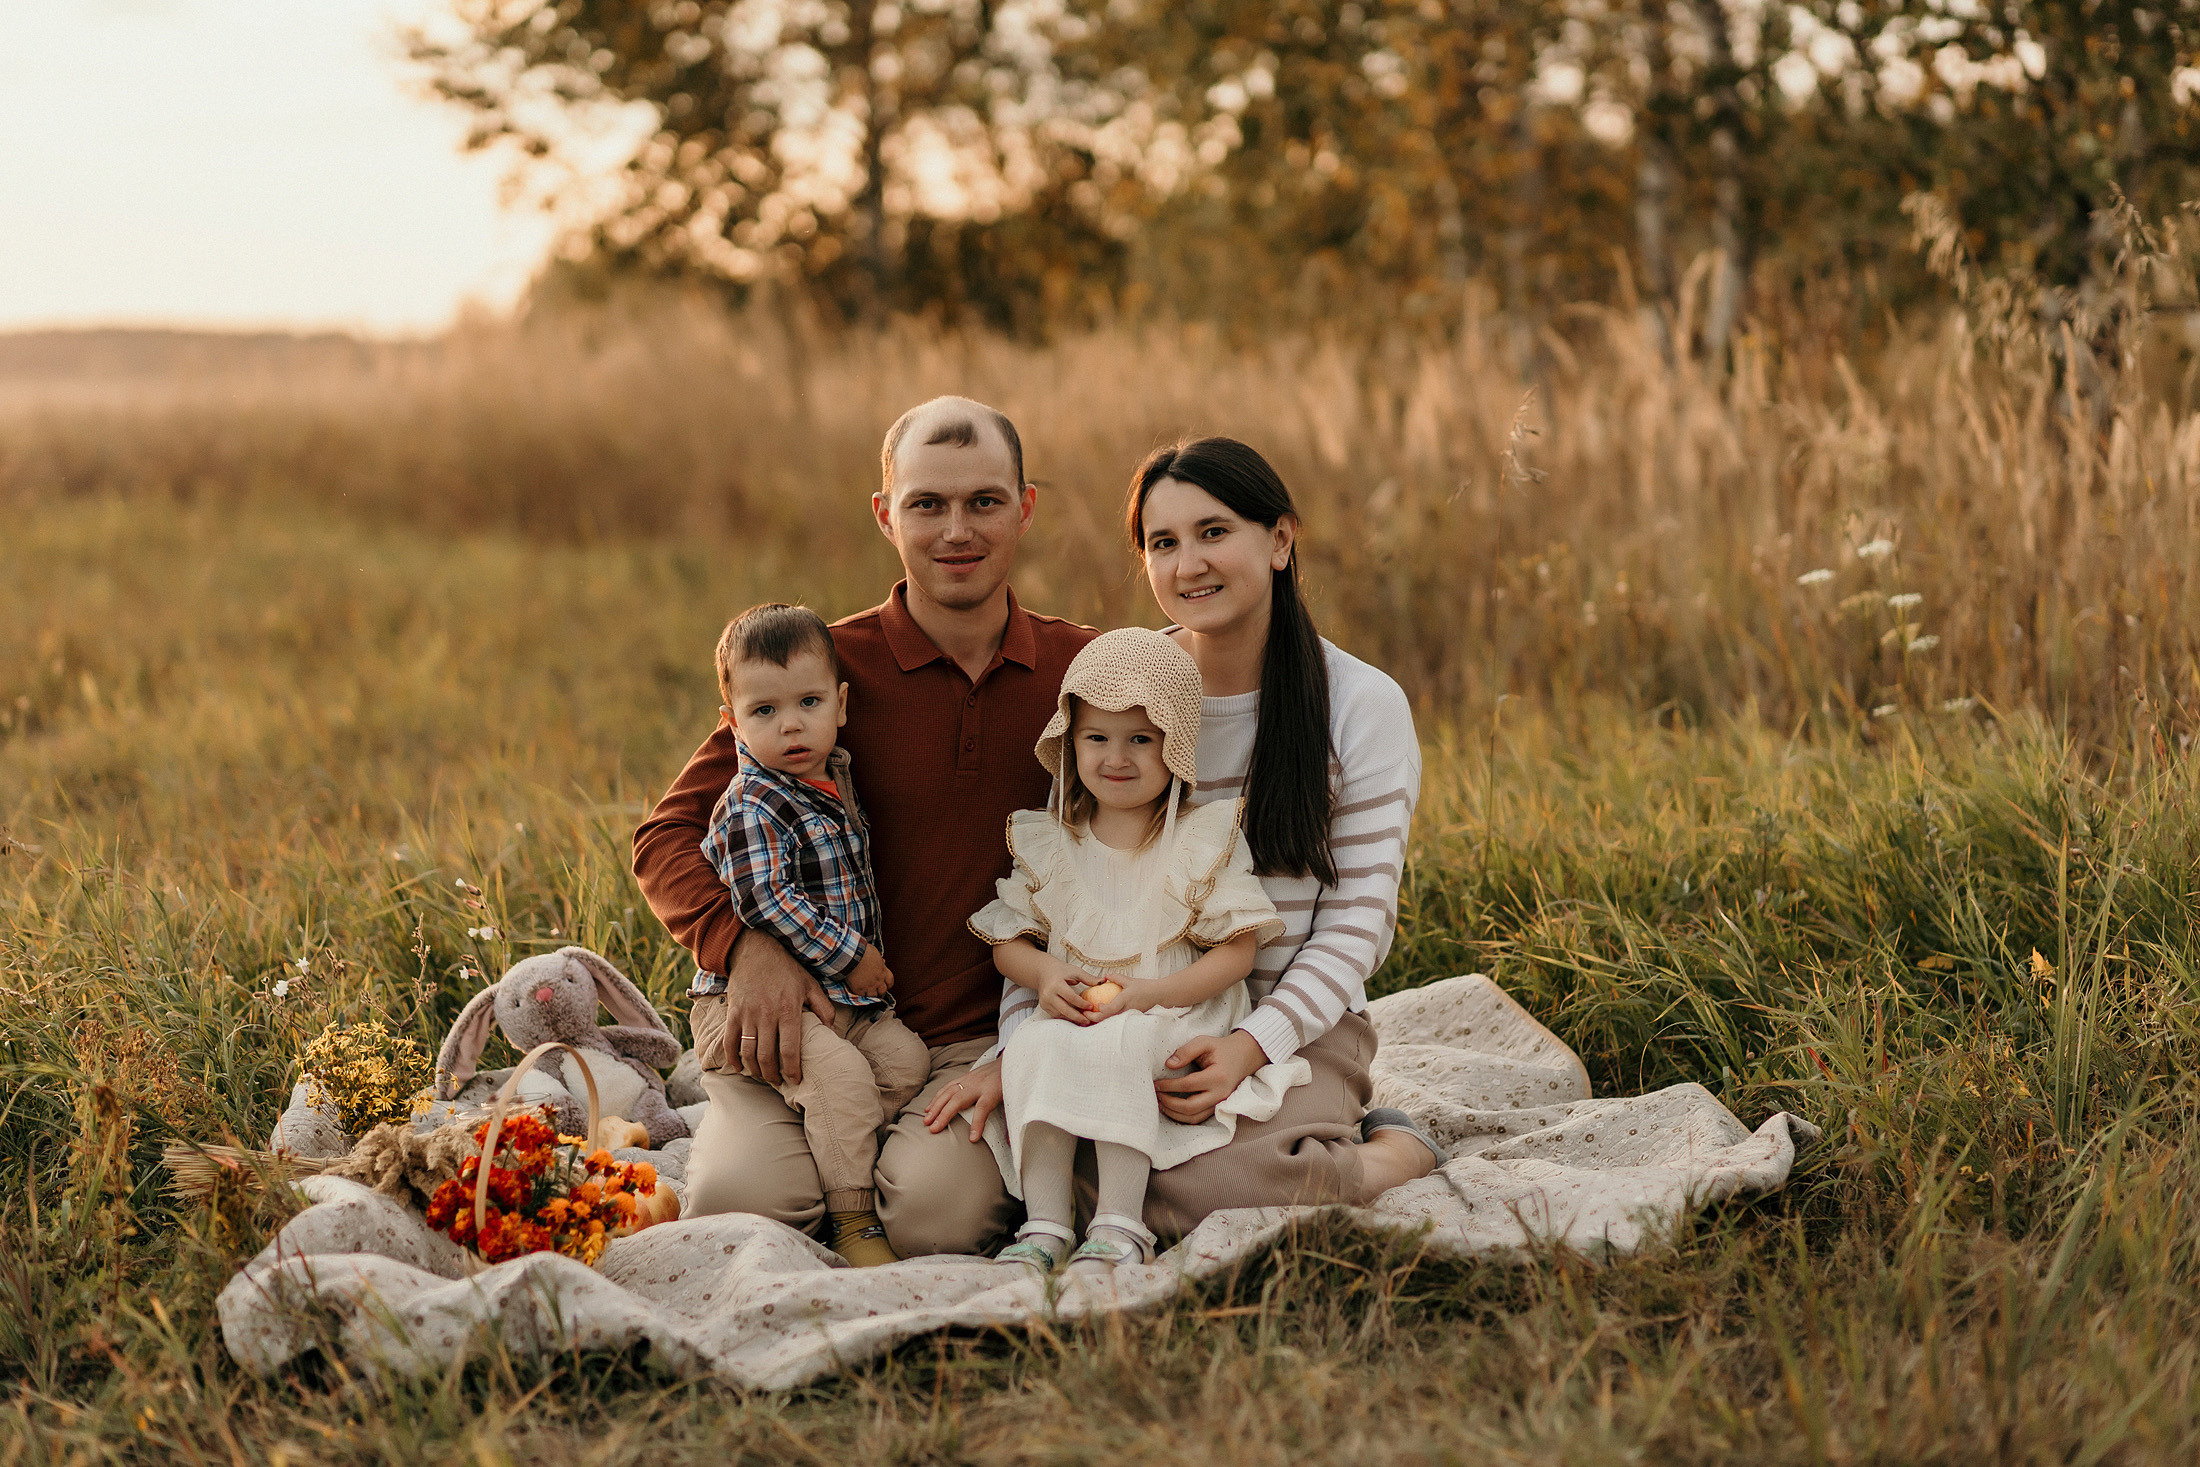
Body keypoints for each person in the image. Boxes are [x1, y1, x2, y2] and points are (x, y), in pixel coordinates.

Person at [924, 436, 1441, 1237]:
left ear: (1279, 540)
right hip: (1120, 1022)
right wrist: (1022, 1046)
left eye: (1213, 531)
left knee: (1211, 1190)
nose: (1188, 563)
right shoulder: (1120, 697)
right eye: (1163, 543)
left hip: (1290, 1020)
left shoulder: (1360, 705)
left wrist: (1248, 1045)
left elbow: (1357, 927)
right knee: (1035, 1171)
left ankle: (1390, 1151)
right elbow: (1057, 892)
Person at [631, 396, 1095, 1257]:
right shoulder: (818, 674)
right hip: (805, 1025)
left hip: (976, 1041)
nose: (956, 530)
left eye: (984, 501)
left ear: (1026, 506)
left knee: (936, 1221)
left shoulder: (1083, 669)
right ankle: (780, 1139)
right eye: (927, 504)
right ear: (887, 515)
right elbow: (664, 837)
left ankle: (902, 1174)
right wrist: (744, 949)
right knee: (742, 1205)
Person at [946, 628, 1297, 1275]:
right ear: (1069, 741)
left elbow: (1238, 953)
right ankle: (1047, 1222)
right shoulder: (1054, 841)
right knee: (1032, 1043)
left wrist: (1151, 993)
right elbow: (1008, 942)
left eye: (1141, 739)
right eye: (1097, 737)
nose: (1117, 756)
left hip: (1175, 1013)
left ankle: (1119, 1222)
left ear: (1177, 747)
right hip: (1082, 1014)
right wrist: (1045, 971)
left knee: (1123, 1040)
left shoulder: (1198, 837)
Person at [692, 602, 931, 1266]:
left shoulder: (835, 777)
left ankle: (828, 1142)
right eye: (764, 711)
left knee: (905, 1064)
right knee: (844, 1082)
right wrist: (851, 956)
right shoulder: (753, 802)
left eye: (808, 701)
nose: (791, 723)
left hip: (838, 1003)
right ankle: (853, 1221)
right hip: (755, 1002)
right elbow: (768, 897)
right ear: (731, 722)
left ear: (841, 703)